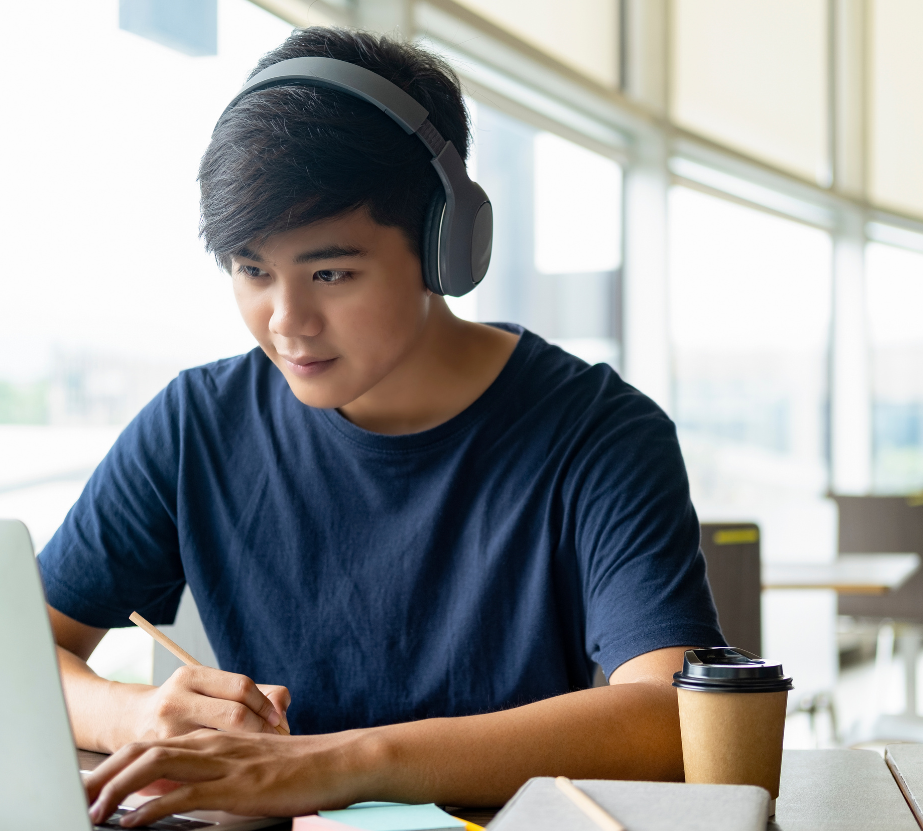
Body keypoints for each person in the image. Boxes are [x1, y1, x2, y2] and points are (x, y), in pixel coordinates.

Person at [38, 26, 725, 826]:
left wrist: (326, 763)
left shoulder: (600, 434)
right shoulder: (196, 424)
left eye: (331, 272)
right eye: (253, 270)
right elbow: (16, 649)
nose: (287, 321)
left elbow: (668, 713)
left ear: (447, 247)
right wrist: (138, 716)